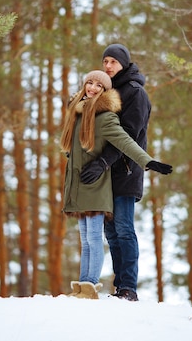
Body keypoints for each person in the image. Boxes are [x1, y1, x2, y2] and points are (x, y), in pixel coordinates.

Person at [60, 70, 172, 300]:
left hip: (96, 187)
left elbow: (126, 142)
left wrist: (148, 162)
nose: (92, 88)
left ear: (104, 91)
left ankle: (91, 284)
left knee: (94, 238)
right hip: (80, 187)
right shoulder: (78, 116)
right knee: (85, 239)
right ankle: (82, 285)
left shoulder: (105, 117)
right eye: (89, 83)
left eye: (98, 86)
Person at [79, 44, 152, 301]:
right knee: (110, 233)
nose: (107, 66)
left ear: (123, 63)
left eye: (113, 62)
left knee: (123, 228)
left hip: (126, 169)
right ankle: (118, 285)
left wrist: (103, 162)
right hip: (105, 173)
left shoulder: (135, 93)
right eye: (105, 61)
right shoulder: (105, 92)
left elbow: (129, 136)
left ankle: (129, 288)